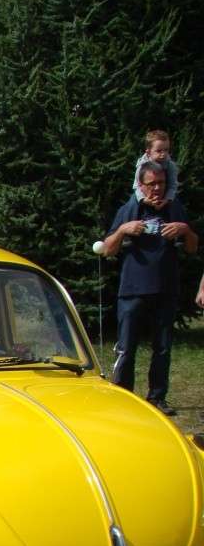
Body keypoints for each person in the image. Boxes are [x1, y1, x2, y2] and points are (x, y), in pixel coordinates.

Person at [102, 160, 198, 415]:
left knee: (163, 347)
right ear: (141, 186)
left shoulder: (175, 208)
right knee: (126, 346)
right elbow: (107, 250)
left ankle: (157, 398)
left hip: (165, 289)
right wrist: (123, 229)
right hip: (132, 289)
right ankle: (123, 396)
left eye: (161, 183)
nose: (157, 188)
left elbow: (192, 248)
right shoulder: (129, 209)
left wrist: (185, 230)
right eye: (151, 184)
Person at [133, 129, 178, 205]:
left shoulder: (170, 165)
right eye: (159, 151)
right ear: (148, 152)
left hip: (164, 195)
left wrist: (167, 200)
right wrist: (143, 199)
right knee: (132, 203)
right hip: (145, 197)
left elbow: (173, 185)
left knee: (176, 206)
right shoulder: (142, 166)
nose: (163, 154)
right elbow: (136, 185)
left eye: (166, 150)